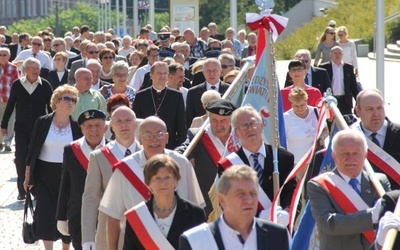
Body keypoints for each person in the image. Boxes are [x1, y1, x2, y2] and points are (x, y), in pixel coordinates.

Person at [100, 116, 204, 249]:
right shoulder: (124, 169)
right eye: (148, 135)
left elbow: (196, 211)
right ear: (140, 139)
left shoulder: (182, 163)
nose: (154, 139)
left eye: (159, 134)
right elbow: (113, 217)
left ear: (167, 137)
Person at [307, 130, 391, 250]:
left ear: (365, 155)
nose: (350, 159)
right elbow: (328, 223)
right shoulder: (319, 185)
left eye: (356, 153)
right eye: (345, 153)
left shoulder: (379, 182)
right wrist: (372, 216)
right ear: (334, 156)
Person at [24, 85, 82, 249]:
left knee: (66, 213)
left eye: (73, 100)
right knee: (45, 213)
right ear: (56, 101)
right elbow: (32, 151)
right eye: (66, 98)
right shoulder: (43, 122)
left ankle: (65, 247)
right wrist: (27, 176)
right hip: (43, 174)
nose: (70, 103)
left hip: (68, 175)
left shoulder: (77, 126)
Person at [179, 165, 289, 250]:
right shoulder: (195, 240)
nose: (249, 200)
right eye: (240, 194)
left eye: (253, 193)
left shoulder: (277, 235)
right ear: (222, 200)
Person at [217, 106, 295, 222]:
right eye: (244, 126)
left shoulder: (283, 157)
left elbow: (291, 191)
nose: (250, 129)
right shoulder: (228, 166)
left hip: (280, 226)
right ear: (236, 133)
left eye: (253, 123)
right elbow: (228, 202)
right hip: (246, 229)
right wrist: (262, 215)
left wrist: (286, 213)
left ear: (261, 126)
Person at [81, 106, 141, 250]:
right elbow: (91, 198)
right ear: (111, 126)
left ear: (136, 124)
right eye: (118, 121)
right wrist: (88, 237)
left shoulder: (148, 153)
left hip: (143, 226)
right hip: (110, 229)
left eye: (128, 120)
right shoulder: (99, 156)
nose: (124, 125)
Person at [123, 154, 206, 249]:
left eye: (167, 177)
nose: (163, 183)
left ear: (176, 180)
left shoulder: (195, 214)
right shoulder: (137, 217)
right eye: (157, 178)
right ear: (148, 183)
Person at [1, 58, 53, 200]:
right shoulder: (17, 84)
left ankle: (36, 188)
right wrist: (4, 125)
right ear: (25, 70)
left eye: (38, 68)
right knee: (21, 158)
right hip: (21, 128)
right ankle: (22, 189)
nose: (36, 71)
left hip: (40, 129)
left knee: (38, 157)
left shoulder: (45, 85)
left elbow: (51, 108)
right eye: (32, 68)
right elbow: (11, 105)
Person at [56, 109, 107, 250]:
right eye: (89, 126)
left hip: (107, 215)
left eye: (98, 125)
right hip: (78, 216)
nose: (94, 130)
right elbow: (64, 184)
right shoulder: (71, 150)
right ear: (82, 129)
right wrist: (61, 216)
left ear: (106, 127)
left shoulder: (113, 150)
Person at [176, 99, 236, 215]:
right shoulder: (198, 136)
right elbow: (183, 150)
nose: (218, 125)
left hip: (236, 201)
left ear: (231, 120)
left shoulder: (239, 137)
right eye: (214, 120)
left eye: (223, 120)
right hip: (208, 204)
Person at [133, 61, 186, 149]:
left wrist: (180, 147)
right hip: (146, 145)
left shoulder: (176, 96)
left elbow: (181, 126)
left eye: (165, 73)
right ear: (151, 75)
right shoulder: (141, 96)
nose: (162, 76)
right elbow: (137, 123)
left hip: (169, 145)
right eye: (159, 73)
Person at [354, 89, 400, 190]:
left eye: (380, 108)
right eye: (370, 109)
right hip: (363, 202)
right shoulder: (350, 137)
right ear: (358, 111)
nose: (376, 113)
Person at [284, 87, 327, 163]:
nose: (299, 108)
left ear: (306, 101)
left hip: (316, 160)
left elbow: (325, 129)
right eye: (296, 106)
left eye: (302, 105)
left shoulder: (316, 112)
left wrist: (322, 137)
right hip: (296, 163)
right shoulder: (286, 117)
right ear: (291, 104)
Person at [185, 58, 229, 129]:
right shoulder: (193, 92)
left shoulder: (230, 90)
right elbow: (188, 119)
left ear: (221, 71)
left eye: (214, 70)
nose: (211, 74)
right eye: (208, 71)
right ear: (203, 72)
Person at [319, 46, 359, 115]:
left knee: (346, 123)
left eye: (339, 53)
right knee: (330, 123)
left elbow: (353, 86)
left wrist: (358, 102)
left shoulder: (348, 68)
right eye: (335, 53)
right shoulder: (324, 68)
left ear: (343, 55)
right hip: (330, 100)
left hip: (345, 101)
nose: (337, 55)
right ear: (330, 55)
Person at [0, 47, 19, 151]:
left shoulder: (13, 68)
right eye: (0, 54)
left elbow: (17, 84)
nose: (2, 57)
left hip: (9, 100)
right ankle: (0, 141)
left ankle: (8, 142)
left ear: (9, 56)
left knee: (10, 123)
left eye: (4, 55)